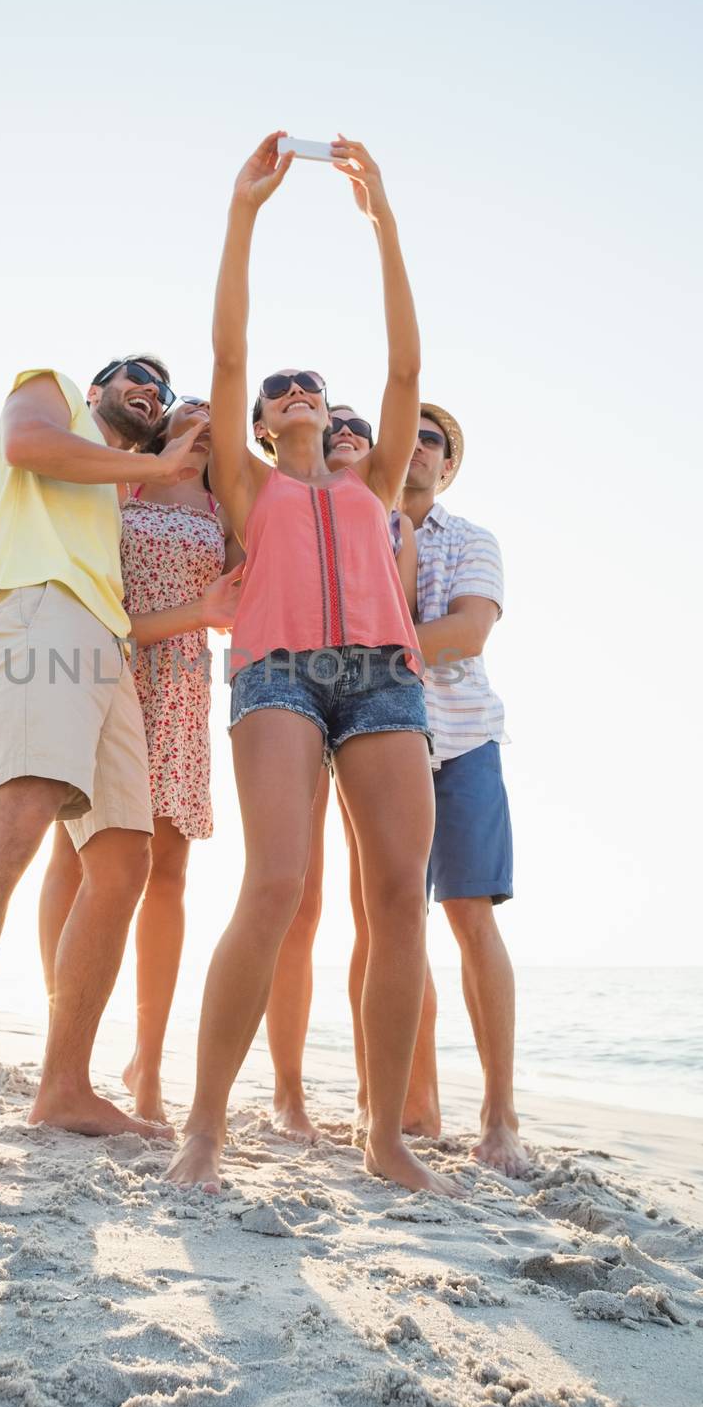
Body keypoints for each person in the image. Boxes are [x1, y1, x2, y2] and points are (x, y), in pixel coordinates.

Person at [166, 131, 459, 1196]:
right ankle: (203, 1129)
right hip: (277, 675)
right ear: (257, 421)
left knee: (395, 899)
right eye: (279, 391)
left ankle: (383, 1137)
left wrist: (381, 220)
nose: (295, 393)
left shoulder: (371, 484)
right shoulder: (251, 490)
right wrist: (243, 214)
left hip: (383, 678)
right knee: (278, 883)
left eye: (313, 390)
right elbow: (229, 353)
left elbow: (404, 369)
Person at [0, 356, 228, 1192]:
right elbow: (27, 446)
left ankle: (63, 1086)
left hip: (105, 637)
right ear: (96, 389)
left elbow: (36, 480)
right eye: (134, 375)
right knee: (17, 822)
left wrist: (162, 469)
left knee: (125, 854)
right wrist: (152, 462)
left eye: (161, 391)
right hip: (39, 608)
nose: (150, 388)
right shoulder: (49, 387)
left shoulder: (114, 487)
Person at [34, 397, 245, 1126]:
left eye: (217, 408)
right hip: (105, 665)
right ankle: (66, 1054)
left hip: (181, 684)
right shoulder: (119, 481)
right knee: (76, 857)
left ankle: (147, 1063)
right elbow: (48, 508)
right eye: (189, 402)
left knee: (168, 871)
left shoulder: (228, 507)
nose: (202, 408)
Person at [349, 403, 527, 1176]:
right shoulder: (352, 524)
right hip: (376, 743)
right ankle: (403, 1105)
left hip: (462, 741)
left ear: (446, 467)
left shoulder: (471, 540)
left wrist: (370, 648)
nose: (417, 449)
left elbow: (466, 634)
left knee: (470, 918)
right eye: (407, 436)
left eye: (433, 442)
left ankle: (498, 1117)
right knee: (386, 925)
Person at [262, 403, 418, 1143]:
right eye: (338, 423)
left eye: (358, 422)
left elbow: (407, 614)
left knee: (385, 905)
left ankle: (373, 1105)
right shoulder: (280, 491)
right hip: (291, 679)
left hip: (383, 698)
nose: (346, 429)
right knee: (298, 897)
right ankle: (287, 1093)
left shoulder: (388, 513)